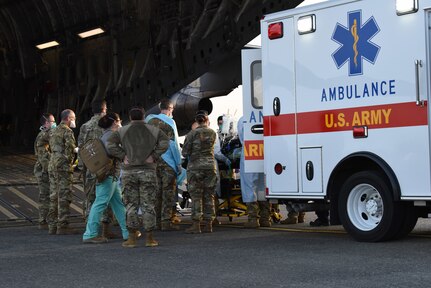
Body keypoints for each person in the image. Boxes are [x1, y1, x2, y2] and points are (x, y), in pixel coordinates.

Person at [107, 107, 169, 248]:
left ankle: (131, 238)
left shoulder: (122, 131)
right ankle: (150, 238)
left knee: (131, 205)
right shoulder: (153, 130)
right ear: (143, 116)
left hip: (129, 172)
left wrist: (123, 156)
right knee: (148, 205)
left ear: (130, 116)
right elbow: (165, 142)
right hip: (148, 171)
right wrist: (154, 156)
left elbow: (110, 144)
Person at [82, 112, 129, 244]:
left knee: (118, 203)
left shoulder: (105, 135)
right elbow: (111, 149)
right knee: (100, 203)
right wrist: (123, 155)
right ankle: (90, 234)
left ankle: (127, 231)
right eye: (119, 120)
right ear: (114, 122)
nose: (120, 123)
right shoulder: (111, 135)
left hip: (108, 174)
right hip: (109, 174)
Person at [78, 100, 117, 238]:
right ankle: (106, 230)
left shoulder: (85, 126)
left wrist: (82, 167)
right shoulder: (108, 124)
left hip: (91, 167)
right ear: (104, 109)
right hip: (106, 166)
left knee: (91, 198)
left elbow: (81, 148)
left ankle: (91, 229)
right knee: (106, 198)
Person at [145, 99, 182, 231]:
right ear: (170, 109)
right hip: (168, 163)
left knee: (156, 193)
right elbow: (174, 145)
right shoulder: (170, 122)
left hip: (154, 162)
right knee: (167, 193)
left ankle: (156, 221)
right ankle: (166, 223)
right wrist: (178, 164)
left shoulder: (150, 122)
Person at [182, 110, 217, 234]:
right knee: (209, 195)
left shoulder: (191, 134)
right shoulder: (213, 133)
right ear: (207, 120)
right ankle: (209, 224)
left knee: (196, 196)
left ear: (196, 121)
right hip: (210, 166)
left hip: (195, 167)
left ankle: (196, 224)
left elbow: (185, 153)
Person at [47, 109, 78, 235]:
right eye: (73, 118)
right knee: (64, 195)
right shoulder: (67, 131)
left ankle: (52, 225)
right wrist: (72, 163)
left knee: (54, 195)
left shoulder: (53, 131)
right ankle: (63, 225)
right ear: (68, 118)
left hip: (53, 163)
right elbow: (70, 149)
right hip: (63, 166)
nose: (74, 121)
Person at [237, 116, 271, 228]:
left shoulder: (243, 119)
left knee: (249, 186)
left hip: (250, 151)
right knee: (263, 186)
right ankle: (265, 219)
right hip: (265, 152)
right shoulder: (266, 116)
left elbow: (242, 138)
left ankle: (253, 219)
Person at [33, 113, 56, 230]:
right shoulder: (42, 136)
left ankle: (47, 220)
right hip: (43, 171)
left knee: (48, 196)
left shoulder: (47, 134)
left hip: (47, 169)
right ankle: (43, 221)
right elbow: (43, 158)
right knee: (45, 196)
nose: (54, 123)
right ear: (46, 123)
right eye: (52, 121)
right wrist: (51, 170)